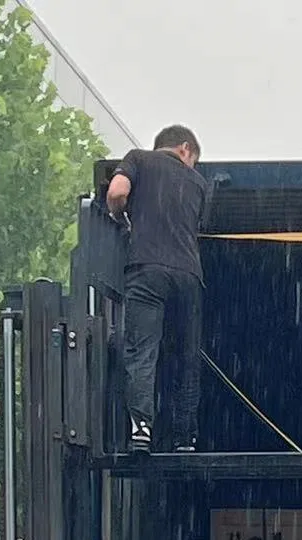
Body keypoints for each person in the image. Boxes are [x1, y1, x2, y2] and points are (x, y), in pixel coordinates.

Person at [106, 124, 209, 454]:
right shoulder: (199, 183)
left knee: (142, 351)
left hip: (147, 270)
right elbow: (198, 228)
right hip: (189, 275)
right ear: (184, 149)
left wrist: (120, 218)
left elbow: (117, 193)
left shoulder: (137, 159)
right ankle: (185, 437)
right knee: (187, 356)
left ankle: (141, 430)